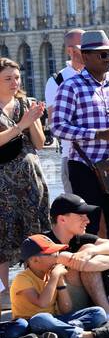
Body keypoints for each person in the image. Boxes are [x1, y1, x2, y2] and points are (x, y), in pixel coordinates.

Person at [49, 30, 109, 237]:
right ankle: (87, 268)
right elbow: (57, 127)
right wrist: (97, 134)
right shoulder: (70, 86)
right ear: (85, 56)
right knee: (87, 225)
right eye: (103, 54)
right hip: (85, 167)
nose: (108, 59)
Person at [8, 235, 109, 338]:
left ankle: (61, 334)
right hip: (32, 324)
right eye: (52, 254)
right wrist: (54, 277)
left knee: (98, 312)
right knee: (41, 318)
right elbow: (43, 303)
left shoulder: (51, 275)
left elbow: (66, 308)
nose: (57, 257)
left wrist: (60, 282)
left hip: (54, 321)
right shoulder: (22, 279)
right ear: (35, 260)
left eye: (57, 253)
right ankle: (89, 335)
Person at [0, 57, 50, 297]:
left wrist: (34, 120)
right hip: (3, 183)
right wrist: (21, 124)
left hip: (31, 180)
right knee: (3, 237)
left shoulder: (25, 103)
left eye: (16, 77)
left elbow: (39, 144)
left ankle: (37, 286)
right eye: (8, 78)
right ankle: (4, 292)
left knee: (34, 233)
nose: (14, 82)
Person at [44, 29, 85, 195]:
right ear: (70, 51)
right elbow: (55, 124)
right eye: (84, 46)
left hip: (106, 155)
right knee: (79, 212)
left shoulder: (103, 76)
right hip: (73, 155)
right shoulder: (57, 81)